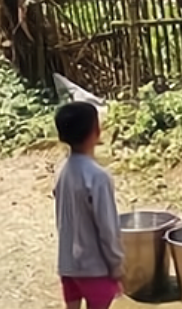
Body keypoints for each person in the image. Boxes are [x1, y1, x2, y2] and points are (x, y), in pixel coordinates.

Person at [54, 102, 125, 309]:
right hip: (94, 268)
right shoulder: (98, 176)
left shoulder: (62, 171)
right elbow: (108, 229)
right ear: (97, 131)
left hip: (68, 265)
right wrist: (117, 265)